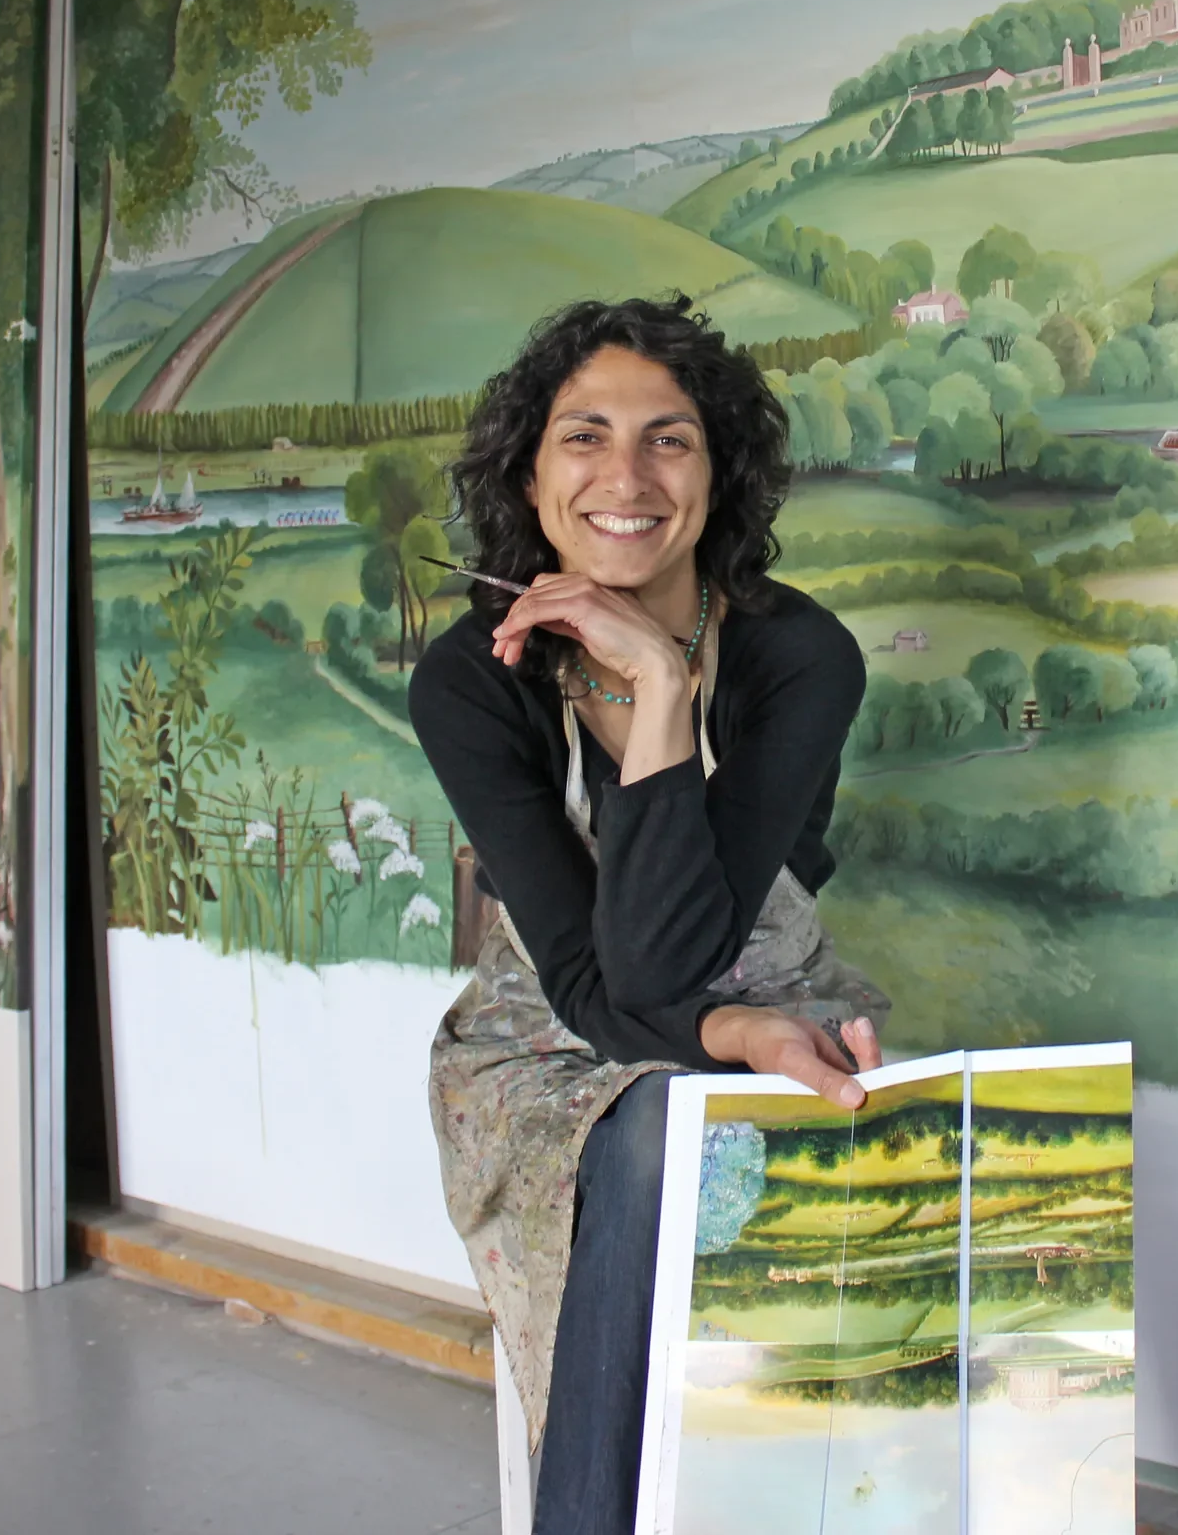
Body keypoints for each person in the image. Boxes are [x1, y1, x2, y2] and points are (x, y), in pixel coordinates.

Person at [408, 297, 889, 1535]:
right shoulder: (470, 679)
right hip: (545, 1031)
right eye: (584, 436)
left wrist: (661, 679)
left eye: (668, 439)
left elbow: (690, 947)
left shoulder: (802, 656)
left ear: (717, 475)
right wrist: (663, 690)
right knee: (656, 1130)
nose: (625, 477)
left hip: (777, 991)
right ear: (530, 473)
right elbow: (603, 977)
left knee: (832, 1148)